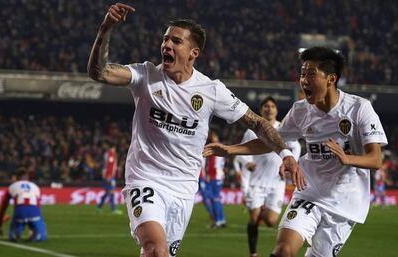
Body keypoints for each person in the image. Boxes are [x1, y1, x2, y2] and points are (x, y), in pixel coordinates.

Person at [87, 3, 305, 257]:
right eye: (165, 39)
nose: (166, 45)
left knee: (164, 252)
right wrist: (105, 30)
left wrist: (286, 155)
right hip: (145, 179)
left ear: (193, 53)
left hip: (184, 188)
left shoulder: (211, 90)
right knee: (155, 249)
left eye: (176, 41)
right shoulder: (145, 75)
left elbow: (257, 122)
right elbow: (99, 72)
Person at [203, 46, 387, 257]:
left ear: (331, 78)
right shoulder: (301, 110)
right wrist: (230, 149)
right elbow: (272, 141)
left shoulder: (359, 109)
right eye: (302, 74)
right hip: (308, 192)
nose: (304, 80)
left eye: (311, 74)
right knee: (283, 250)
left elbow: (375, 159)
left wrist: (347, 158)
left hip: (343, 203)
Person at [242, 97, 301, 257]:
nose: (269, 109)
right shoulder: (251, 131)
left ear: (276, 110)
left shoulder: (284, 129)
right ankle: (253, 253)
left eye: (272, 106)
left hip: (277, 183)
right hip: (257, 182)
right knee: (253, 217)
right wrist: (247, 163)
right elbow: (243, 151)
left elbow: (296, 146)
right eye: (266, 106)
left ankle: (261, 209)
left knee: (271, 220)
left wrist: (292, 163)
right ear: (261, 110)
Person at [0, 167, 47, 242]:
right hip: (34, 213)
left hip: (20, 213)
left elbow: (3, 208)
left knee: (14, 233)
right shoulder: (36, 187)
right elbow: (38, 205)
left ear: (17, 178)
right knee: (42, 234)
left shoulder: (12, 186)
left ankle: (15, 234)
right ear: (27, 177)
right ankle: (36, 233)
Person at [205, 130, 227, 228]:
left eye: (212, 136)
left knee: (215, 199)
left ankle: (218, 221)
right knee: (216, 199)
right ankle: (221, 220)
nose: (211, 138)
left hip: (215, 176)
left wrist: (209, 175)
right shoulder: (221, 146)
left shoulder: (215, 147)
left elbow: (213, 164)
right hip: (219, 176)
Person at [96, 140, 122, 214]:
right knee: (111, 192)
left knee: (108, 192)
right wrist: (109, 175)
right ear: (114, 147)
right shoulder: (111, 154)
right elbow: (109, 166)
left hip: (109, 175)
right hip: (109, 176)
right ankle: (113, 210)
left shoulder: (108, 153)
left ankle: (99, 207)